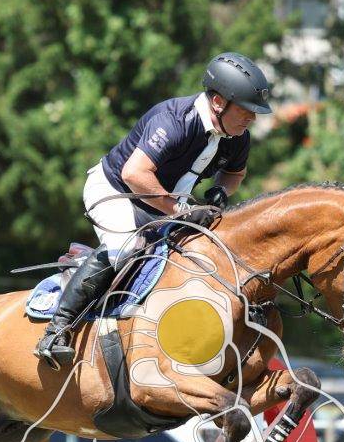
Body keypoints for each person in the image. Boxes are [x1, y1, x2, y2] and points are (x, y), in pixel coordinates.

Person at [34, 51, 273, 369]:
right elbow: (135, 174)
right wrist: (179, 209)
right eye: (246, 110)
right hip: (116, 191)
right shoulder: (174, 120)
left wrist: (220, 191)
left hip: (165, 204)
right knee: (126, 248)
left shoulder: (236, 136)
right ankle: (57, 330)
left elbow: (235, 174)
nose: (252, 118)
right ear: (218, 102)